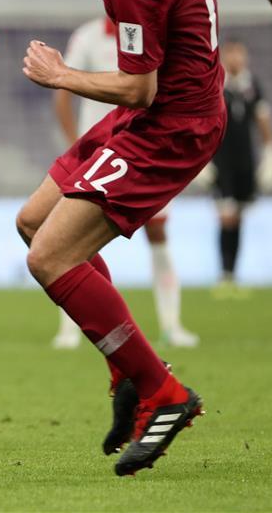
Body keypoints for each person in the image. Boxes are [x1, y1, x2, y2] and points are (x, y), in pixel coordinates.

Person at [17, 0, 272, 476]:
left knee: (49, 257)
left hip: (173, 125)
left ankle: (163, 390)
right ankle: (127, 375)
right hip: (155, 113)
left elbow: (140, 85)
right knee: (32, 222)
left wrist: (61, 77)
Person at [52, 17, 199, 348]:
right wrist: (75, 145)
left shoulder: (150, 34)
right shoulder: (88, 36)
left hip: (145, 151)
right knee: (70, 237)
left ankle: (172, 325)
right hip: (99, 154)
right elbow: (62, 96)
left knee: (158, 232)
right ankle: (70, 328)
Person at [200, 39, 272, 295]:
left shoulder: (252, 85)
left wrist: (270, 153)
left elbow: (262, 119)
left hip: (245, 161)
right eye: (232, 54)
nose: (237, 59)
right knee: (226, 216)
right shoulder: (215, 84)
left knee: (238, 217)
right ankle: (224, 275)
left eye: (240, 54)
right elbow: (202, 121)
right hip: (221, 161)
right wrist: (201, 159)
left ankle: (232, 275)